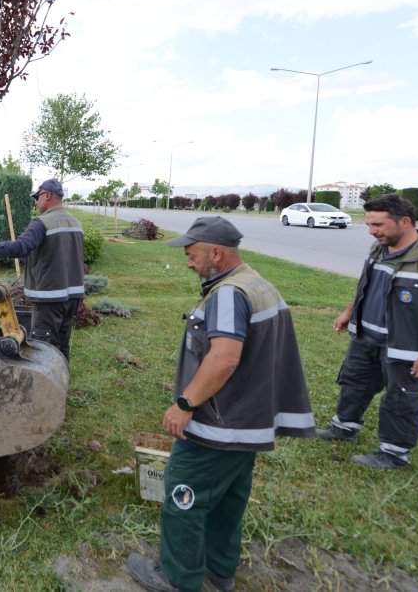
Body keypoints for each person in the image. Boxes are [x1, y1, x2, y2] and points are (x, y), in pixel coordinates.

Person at [126, 216, 315, 592]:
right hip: (247, 423)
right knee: (228, 500)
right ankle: (219, 570)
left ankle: (177, 578)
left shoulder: (229, 293)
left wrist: (185, 402)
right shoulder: (257, 283)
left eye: (192, 253)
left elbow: (225, 357)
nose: (188, 260)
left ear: (216, 252)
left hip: (218, 424)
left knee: (184, 494)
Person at [317, 194, 418, 469]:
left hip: (405, 347)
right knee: (354, 383)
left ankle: (394, 454)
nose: (372, 231)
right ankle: (343, 428)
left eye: (379, 225)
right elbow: (366, 285)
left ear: (404, 221)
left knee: (402, 397)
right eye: (370, 224)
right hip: (366, 336)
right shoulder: (379, 247)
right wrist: (349, 312)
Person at [0, 178, 84, 359]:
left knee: (44, 348)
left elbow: (19, 247)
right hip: (73, 297)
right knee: (62, 344)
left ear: (48, 195)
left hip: (49, 298)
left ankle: (46, 385)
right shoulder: (75, 223)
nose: (36, 201)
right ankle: (61, 381)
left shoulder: (42, 223)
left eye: (38, 196)